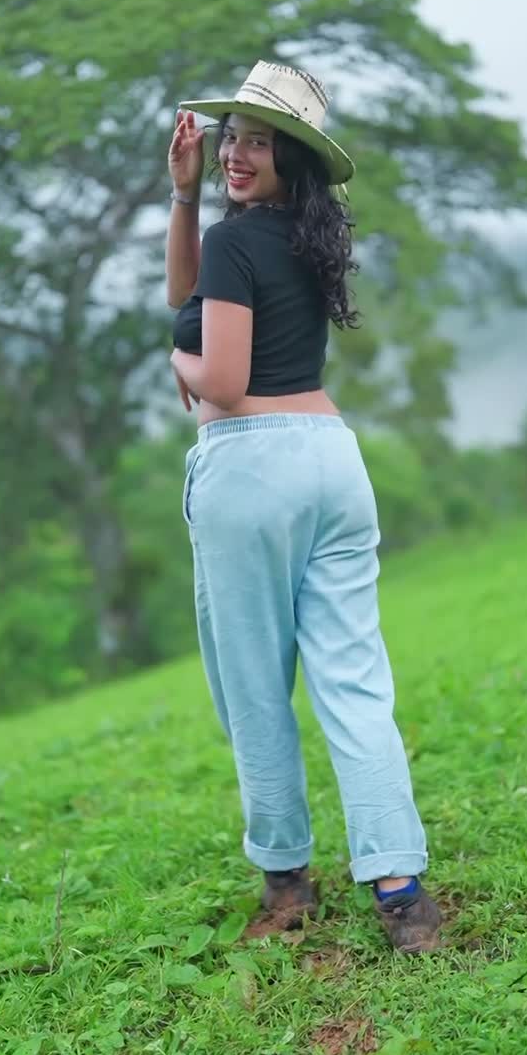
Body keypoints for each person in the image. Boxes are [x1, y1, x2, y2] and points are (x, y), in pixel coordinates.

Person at [165, 61, 442, 953]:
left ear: (293, 156)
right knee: (355, 682)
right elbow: (190, 299)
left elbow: (220, 375)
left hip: (253, 469)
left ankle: (287, 884)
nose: (237, 155)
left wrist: (175, 364)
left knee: (255, 687)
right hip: (332, 461)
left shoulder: (236, 242)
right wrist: (182, 199)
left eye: (259, 142)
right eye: (233, 139)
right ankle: (403, 896)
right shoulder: (303, 238)